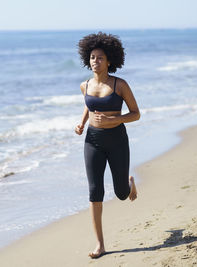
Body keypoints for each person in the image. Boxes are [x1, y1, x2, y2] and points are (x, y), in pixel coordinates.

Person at [75, 32, 140, 259]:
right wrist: (82, 123)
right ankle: (100, 244)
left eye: (100, 57)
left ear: (109, 60)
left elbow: (136, 114)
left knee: (121, 194)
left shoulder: (119, 85)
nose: (95, 61)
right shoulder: (85, 85)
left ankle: (130, 183)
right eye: (92, 57)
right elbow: (88, 105)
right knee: (95, 191)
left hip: (117, 141)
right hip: (92, 140)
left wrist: (115, 120)